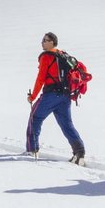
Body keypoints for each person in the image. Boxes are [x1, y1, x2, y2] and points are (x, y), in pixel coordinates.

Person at [25, 32, 85, 164]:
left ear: (52, 42)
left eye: (45, 40)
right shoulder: (62, 54)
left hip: (51, 95)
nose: (42, 42)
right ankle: (79, 152)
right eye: (42, 40)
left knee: (35, 117)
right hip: (65, 96)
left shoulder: (46, 56)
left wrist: (33, 96)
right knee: (66, 125)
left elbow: (41, 78)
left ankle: (32, 150)